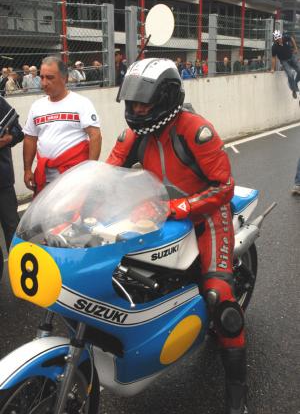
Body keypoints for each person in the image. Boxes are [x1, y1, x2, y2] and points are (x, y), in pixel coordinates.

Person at [106, 58, 248, 414]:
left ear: (167, 98)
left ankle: (237, 396)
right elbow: (106, 178)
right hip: (159, 213)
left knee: (219, 295)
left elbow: (224, 187)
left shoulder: (196, 131)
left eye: (144, 102)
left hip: (206, 216)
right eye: (132, 102)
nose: (136, 109)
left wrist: (181, 208)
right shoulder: (133, 134)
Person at [23, 56, 102, 195]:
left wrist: (91, 170)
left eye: (50, 77)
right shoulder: (37, 106)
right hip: (45, 177)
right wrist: (27, 169)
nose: (44, 82)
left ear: (64, 78)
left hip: (75, 176)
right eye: (42, 77)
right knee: (47, 215)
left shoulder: (81, 103)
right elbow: (30, 139)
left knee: (73, 215)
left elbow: (95, 136)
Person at [0, 96, 24, 279]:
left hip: (3, 182)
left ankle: (20, 275)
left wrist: (7, 138)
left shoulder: (0, 103)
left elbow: (18, 132)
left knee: (12, 229)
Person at [271, 30, 300, 99]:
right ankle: (293, 90)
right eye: (278, 39)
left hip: (291, 57)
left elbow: (291, 38)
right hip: (284, 61)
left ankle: (295, 83)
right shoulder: (274, 47)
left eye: (280, 38)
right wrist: (272, 68)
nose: (280, 40)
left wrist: (295, 48)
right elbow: (273, 58)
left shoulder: (285, 37)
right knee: (290, 74)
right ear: (276, 40)